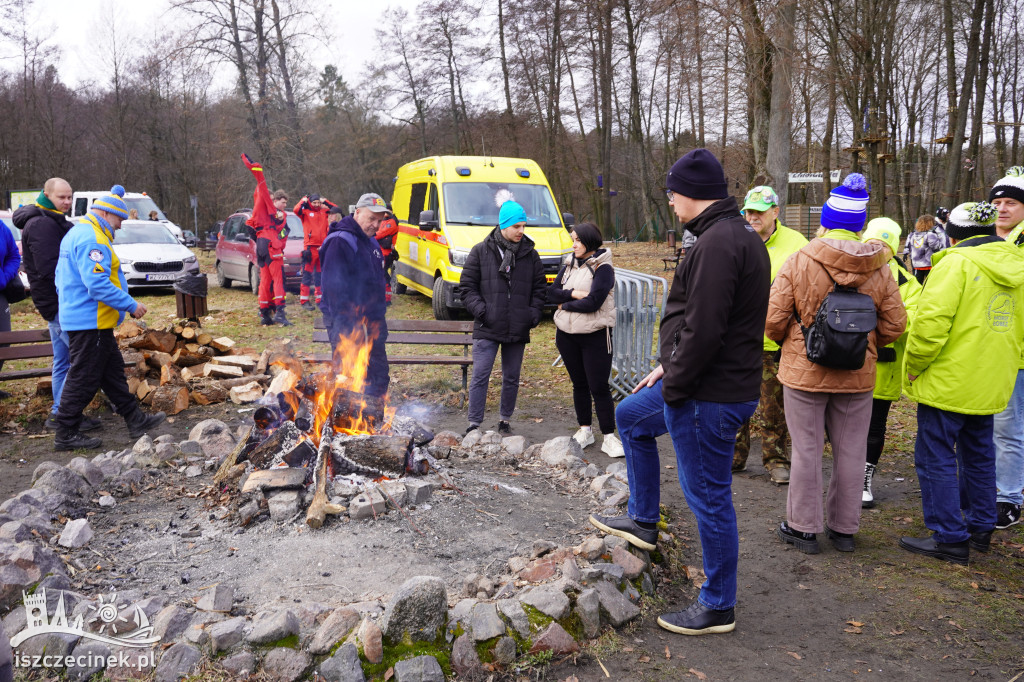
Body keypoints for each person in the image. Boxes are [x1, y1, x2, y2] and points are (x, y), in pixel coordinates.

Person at [653, 148, 770, 636]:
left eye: (672, 191)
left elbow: (704, 330)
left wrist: (675, 386)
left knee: (709, 500)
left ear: (690, 193)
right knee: (637, 422)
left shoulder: (720, 242)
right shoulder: (732, 233)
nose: (670, 200)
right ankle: (641, 519)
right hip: (719, 387)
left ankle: (718, 605)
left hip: (710, 394)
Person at [766, 173, 906, 555]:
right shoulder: (880, 266)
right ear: (860, 224)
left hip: (803, 372)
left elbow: (773, 319)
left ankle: (803, 529)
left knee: (807, 449)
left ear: (825, 218)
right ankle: (844, 530)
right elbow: (895, 323)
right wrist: (865, 343)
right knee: (851, 450)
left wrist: (793, 343)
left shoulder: (799, 259)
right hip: (858, 375)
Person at [900, 202, 1024, 564]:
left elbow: (930, 323)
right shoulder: (1016, 262)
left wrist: (915, 365)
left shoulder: (954, 264)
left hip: (949, 380)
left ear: (952, 235)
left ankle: (949, 536)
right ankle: (981, 526)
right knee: (980, 453)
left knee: (934, 455)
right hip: (992, 377)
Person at [53, 186, 165, 450]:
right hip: (90, 321)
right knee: (83, 377)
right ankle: (66, 432)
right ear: (105, 213)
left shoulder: (77, 232)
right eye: (119, 219)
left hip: (90, 320)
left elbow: (60, 278)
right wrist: (130, 304)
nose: (121, 226)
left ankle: (135, 419)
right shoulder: (94, 239)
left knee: (112, 374)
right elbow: (97, 284)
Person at [733, 185, 808, 484]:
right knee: (735, 401)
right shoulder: (735, 237)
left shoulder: (796, 244)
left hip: (775, 340)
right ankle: (734, 456)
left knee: (773, 406)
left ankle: (775, 459)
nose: (752, 217)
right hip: (737, 338)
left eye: (759, 212)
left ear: (775, 212)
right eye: (748, 211)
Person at [13, 179, 101, 429]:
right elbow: (50, 268)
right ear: (46, 194)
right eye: (61, 197)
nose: (67, 202)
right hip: (60, 303)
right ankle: (65, 417)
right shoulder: (42, 224)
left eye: (70, 197)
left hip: (56, 302)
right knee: (79, 360)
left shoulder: (50, 220)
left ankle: (59, 412)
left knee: (63, 360)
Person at [459, 200, 545, 435]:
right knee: (480, 376)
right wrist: (483, 311)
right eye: (516, 226)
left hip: (517, 326)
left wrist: (532, 315)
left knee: (511, 378)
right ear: (504, 225)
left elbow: (539, 290)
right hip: (487, 325)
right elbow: (466, 287)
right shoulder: (480, 250)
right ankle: (474, 423)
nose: (521, 231)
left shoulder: (531, 255)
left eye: (524, 226)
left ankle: (504, 420)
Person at [545, 222, 623, 458]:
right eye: (573, 239)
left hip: (595, 336)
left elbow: (593, 303)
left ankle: (609, 436)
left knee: (598, 386)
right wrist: (572, 294)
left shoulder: (604, 268)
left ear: (589, 241)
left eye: (577, 240)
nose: (573, 244)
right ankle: (585, 430)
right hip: (566, 335)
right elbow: (551, 293)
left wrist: (564, 304)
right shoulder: (569, 264)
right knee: (579, 384)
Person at [859, 218, 922, 508]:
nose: (876, 249)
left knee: (874, 426)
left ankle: (863, 478)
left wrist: (871, 333)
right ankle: (844, 474)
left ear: (893, 248)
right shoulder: (846, 268)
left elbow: (909, 320)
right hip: (842, 366)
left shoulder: (907, 282)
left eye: (883, 245)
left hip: (882, 368)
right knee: (841, 424)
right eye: (872, 243)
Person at [319, 193, 391, 398]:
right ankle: (347, 421)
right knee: (349, 375)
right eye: (372, 219)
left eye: (380, 220)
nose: (376, 225)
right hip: (346, 320)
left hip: (373, 321)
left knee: (378, 374)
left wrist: (378, 320)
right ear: (357, 212)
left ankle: (376, 417)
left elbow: (375, 283)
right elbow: (334, 290)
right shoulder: (340, 241)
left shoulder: (372, 243)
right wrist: (348, 326)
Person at [990, 166, 1024, 529]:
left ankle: (1009, 496)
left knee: (1008, 427)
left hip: (1016, 351)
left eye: (1011, 202)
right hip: (986, 350)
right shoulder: (985, 238)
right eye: (997, 202)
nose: (1002, 208)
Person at [241, 153, 291, 326]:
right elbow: (261, 186)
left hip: (261, 245)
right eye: (280, 201)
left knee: (265, 281)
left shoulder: (256, 210)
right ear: (273, 200)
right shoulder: (270, 208)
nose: (282, 205)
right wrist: (256, 168)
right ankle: (280, 312)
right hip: (270, 244)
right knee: (278, 280)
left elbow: (250, 225)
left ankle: (264, 314)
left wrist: (258, 237)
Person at [293, 193, 336, 312]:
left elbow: (336, 209)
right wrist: (303, 199)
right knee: (307, 275)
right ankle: (304, 300)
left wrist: (325, 201)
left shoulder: (324, 212)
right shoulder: (305, 213)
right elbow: (296, 209)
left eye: (318, 202)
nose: (317, 205)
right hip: (310, 249)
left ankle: (320, 299)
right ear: (310, 203)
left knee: (320, 276)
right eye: (314, 203)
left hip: (322, 248)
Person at [0, 205, 20, 400]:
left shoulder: (1, 227)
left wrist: (4, 277)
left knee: (4, 339)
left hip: (0, 293)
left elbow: (14, 255)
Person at [903, 214, 945, 284]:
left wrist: (905, 253)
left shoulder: (913, 235)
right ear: (930, 224)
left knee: (917, 283)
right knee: (931, 283)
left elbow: (908, 244)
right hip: (928, 264)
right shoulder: (930, 235)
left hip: (916, 264)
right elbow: (936, 247)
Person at [376, 206, 400, 305]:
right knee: (381, 274)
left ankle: (387, 299)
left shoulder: (392, 222)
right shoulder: (384, 220)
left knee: (384, 274)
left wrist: (369, 235)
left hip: (386, 253)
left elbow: (380, 233)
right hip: (380, 252)